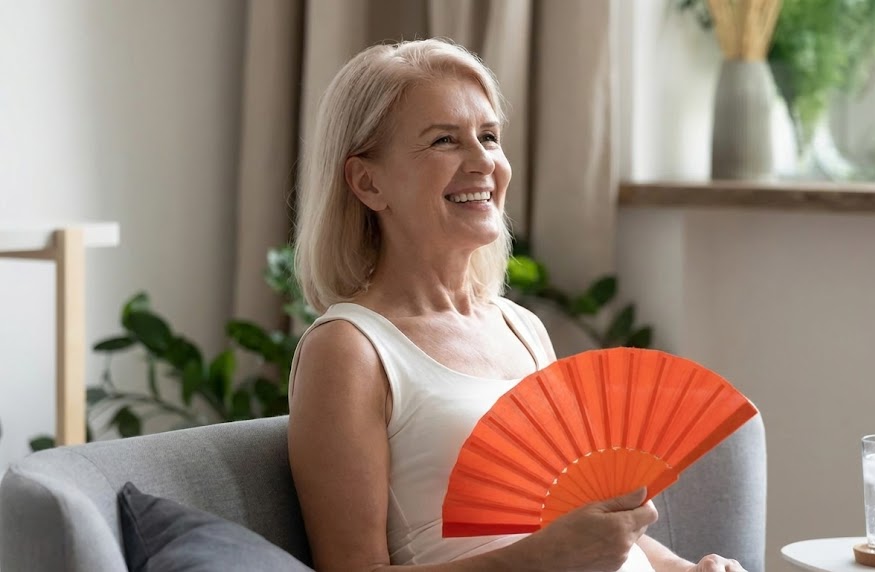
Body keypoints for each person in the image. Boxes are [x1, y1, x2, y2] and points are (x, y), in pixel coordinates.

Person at [287, 38, 747, 572]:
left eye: (489, 136)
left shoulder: (521, 328)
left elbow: (595, 523)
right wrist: (536, 559)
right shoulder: (349, 349)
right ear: (368, 182)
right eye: (443, 141)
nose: (483, 161)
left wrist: (686, 569)